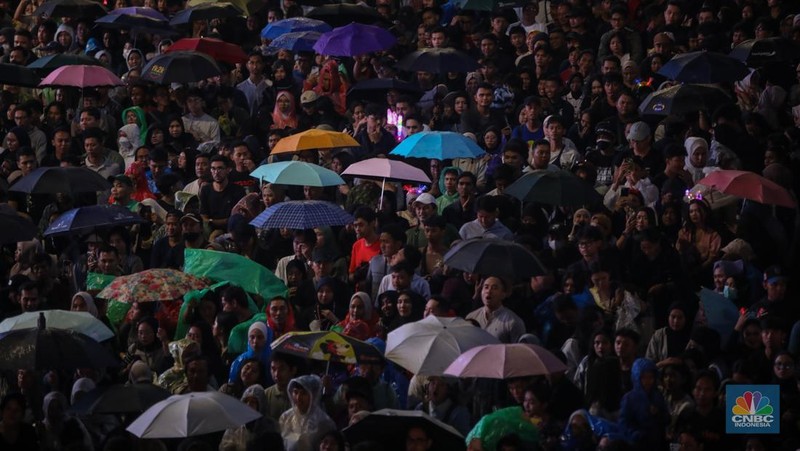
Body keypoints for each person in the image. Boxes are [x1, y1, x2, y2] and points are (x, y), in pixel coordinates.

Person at [280, 375, 336, 451]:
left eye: (303, 393)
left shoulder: (324, 422)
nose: (298, 398)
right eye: (295, 392)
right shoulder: (286, 417)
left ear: (313, 395)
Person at [466, 276, 525, 344]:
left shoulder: (513, 322)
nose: (489, 291)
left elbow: (519, 349)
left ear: (503, 294)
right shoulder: (471, 317)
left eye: (494, 288)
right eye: (486, 287)